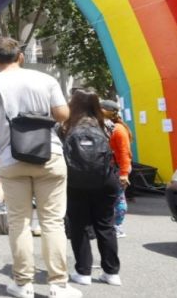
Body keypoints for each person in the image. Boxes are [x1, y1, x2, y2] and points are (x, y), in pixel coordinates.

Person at [0, 36, 80, 298]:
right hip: (49, 154)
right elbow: (63, 115)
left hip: (10, 158)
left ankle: (23, 284)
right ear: (20, 55)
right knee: (52, 221)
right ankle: (58, 285)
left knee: (18, 222)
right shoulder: (45, 79)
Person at [61, 88, 121, 287]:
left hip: (75, 181)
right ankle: (111, 273)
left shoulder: (65, 126)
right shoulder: (108, 125)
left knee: (79, 226)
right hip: (105, 180)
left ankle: (84, 272)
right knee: (106, 225)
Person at [100, 99, 131, 238]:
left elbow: (125, 153)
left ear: (106, 111)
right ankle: (110, 225)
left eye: (100, 108)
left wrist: (124, 173)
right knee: (110, 198)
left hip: (118, 169)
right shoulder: (107, 127)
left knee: (118, 198)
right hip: (109, 168)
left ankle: (117, 226)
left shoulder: (118, 130)